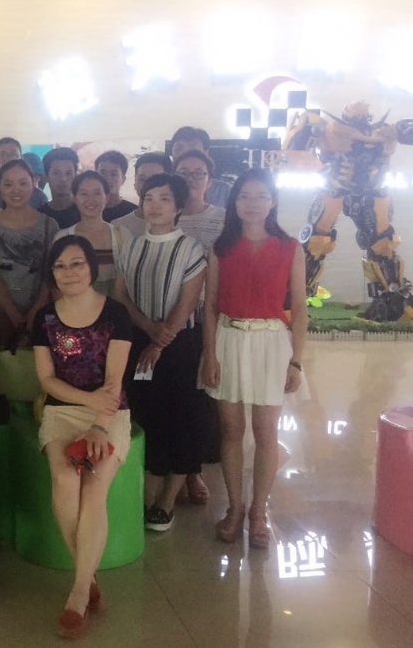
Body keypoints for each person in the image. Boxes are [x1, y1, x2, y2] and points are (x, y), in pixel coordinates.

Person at [200, 169, 307, 549]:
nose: (252, 203)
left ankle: (259, 512)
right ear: (235, 202)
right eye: (245, 196)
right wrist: (209, 354)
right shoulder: (221, 247)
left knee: (266, 432)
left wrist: (296, 361)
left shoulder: (290, 247)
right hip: (228, 340)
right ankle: (234, 508)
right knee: (231, 430)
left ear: (273, 201)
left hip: (271, 344)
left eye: (261, 196)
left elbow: (300, 308)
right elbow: (210, 306)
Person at [32, 235, 133, 640]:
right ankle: (88, 577)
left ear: (92, 267)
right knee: (64, 477)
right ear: (52, 273)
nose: (69, 272)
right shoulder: (44, 318)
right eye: (60, 266)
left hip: (110, 412)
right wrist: (86, 402)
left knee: (92, 488)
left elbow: (114, 381)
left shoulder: (116, 314)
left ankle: (77, 592)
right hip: (61, 411)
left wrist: (99, 425)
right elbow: (46, 380)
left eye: (77, 263)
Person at [114, 173, 207, 532]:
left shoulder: (191, 248)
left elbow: (187, 303)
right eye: (149, 197)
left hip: (179, 345)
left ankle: (167, 500)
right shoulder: (132, 246)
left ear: (179, 206)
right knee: (145, 416)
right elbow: (121, 296)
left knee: (180, 417)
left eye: (165, 198)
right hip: (139, 340)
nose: (155, 205)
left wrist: (160, 341)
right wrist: (149, 331)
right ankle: (144, 493)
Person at [173, 149, 227, 506]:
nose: (191, 179)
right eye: (184, 172)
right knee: (179, 399)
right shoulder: (167, 216)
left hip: (210, 321)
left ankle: (195, 470)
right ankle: (183, 471)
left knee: (205, 401)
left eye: (198, 173)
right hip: (172, 320)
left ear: (209, 179)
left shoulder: (223, 220)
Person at [0, 159, 59, 347]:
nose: (16, 190)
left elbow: (52, 272)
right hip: (0, 313)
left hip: (41, 311)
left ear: (34, 183)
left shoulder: (49, 225)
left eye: (23, 183)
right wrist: (13, 314)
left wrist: (35, 310)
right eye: (8, 184)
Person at [54, 171, 126, 297]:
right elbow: (57, 284)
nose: (90, 200)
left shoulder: (122, 235)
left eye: (97, 193)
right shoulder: (63, 237)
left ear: (107, 198)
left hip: (115, 307)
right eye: (84, 194)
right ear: (74, 198)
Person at [111, 152, 173, 238]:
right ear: (135, 182)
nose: (147, 185)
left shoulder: (178, 225)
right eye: (142, 179)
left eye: (155, 180)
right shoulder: (118, 226)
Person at [170, 126, 231, 208]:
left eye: (193, 148)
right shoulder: (163, 188)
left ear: (206, 152)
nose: (186, 152)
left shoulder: (224, 192)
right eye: (179, 148)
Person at [0, 137, 48, 210]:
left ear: (22, 159)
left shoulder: (37, 196)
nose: (8, 159)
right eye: (3, 155)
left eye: (13, 155)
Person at [39, 147, 82, 230]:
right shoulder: (39, 217)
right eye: (56, 173)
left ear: (75, 176)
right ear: (46, 177)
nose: (63, 179)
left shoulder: (84, 211)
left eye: (68, 173)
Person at [95, 150, 138, 222]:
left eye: (114, 174)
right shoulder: (88, 208)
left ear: (123, 179)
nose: (108, 179)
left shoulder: (133, 212)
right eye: (102, 173)